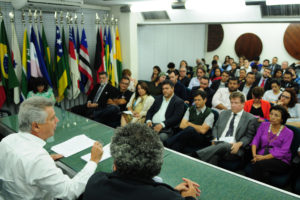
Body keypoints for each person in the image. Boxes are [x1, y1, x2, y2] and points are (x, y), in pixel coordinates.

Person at [0, 96, 103, 199]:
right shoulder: (37, 158)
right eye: (52, 118)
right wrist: (93, 161)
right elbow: (69, 191)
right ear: (36, 126)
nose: (57, 120)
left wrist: (44, 161)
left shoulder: (6, 141)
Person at [83, 123, 201, 200]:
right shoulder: (167, 196)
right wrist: (189, 197)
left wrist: (171, 192)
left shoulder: (96, 182)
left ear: (116, 162)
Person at [194, 92, 257, 165]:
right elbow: (216, 128)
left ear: (243, 104)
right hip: (218, 144)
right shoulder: (224, 113)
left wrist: (239, 144)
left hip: (234, 147)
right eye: (231, 103)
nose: (233, 105)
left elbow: (249, 136)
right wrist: (215, 138)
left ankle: (196, 155)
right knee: (215, 156)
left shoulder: (250, 118)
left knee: (224, 145)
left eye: (236, 103)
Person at [248, 105, 293, 183]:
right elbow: (255, 140)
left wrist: (263, 158)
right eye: (271, 114)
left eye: (276, 115)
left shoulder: (289, 133)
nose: (272, 117)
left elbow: (283, 152)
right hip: (260, 155)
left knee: (259, 165)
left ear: (282, 119)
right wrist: (254, 155)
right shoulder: (264, 125)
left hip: (280, 160)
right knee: (264, 172)